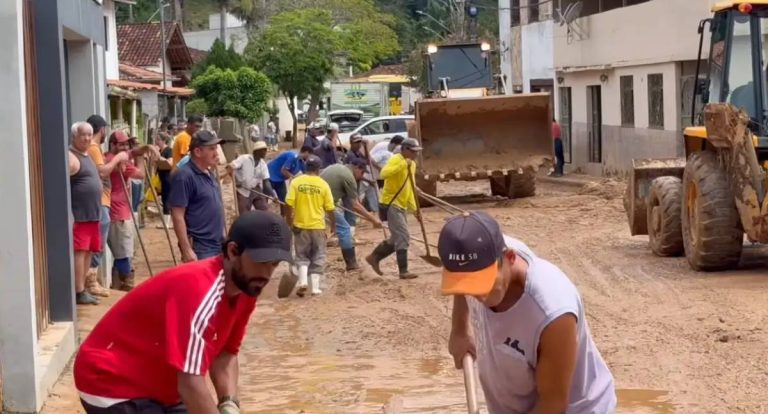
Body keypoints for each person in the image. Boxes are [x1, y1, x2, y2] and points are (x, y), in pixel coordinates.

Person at [73, 211, 293, 414]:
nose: (267, 273)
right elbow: (189, 382)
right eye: (261, 262)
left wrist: (229, 403)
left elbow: (226, 353)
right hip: (110, 382)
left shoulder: (246, 290)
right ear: (233, 251)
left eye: (274, 265)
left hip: (163, 385)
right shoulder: (199, 290)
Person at [438, 211, 617, 413]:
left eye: (483, 284)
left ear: (510, 257)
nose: (478, 297)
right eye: (468, 286)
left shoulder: (553, 313)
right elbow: (462, 281)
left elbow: (553, 405)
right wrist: (459, 329)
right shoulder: (480, 251)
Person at [365, 138, 422, 280]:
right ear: (405, 150)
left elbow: (409, 188)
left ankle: (374, 257)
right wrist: (403, 164)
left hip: (401, 205)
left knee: (397, 237)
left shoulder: (412, 165)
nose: (416, 155)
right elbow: (384, 173)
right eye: (413, 152)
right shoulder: (396, 159)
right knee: (403, 236)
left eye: (417, 152)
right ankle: (403, 271)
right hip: (391, 204)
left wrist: (415, 210)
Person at [85, 114, 126, 298]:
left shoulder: (93, 148)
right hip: (100, 201)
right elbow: (102, 172)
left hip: (102, 200)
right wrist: (117, 159)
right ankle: (91, 281)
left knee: (98, 242)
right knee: (98, 242)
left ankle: (92, 281)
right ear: (102, 130)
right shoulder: (93, 147)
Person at [169, 130, 225, 262]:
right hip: (200, 248)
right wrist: (187, 249)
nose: (216, 153)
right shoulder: (184, 176)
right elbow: (177, 215)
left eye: (216, 148)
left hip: (217, 244)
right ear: (198, 152)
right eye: (211, 149)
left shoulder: (209, 174)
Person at [285, 156, 336, 297]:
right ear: (318, 169)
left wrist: (290, 221)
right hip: (318, 226)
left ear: (306, 167)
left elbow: (288, 204)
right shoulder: (323, 184)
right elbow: (330, 208)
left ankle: (302, 282)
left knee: (301, 255)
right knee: (318, 256)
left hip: (300, 225)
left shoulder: (296, 182)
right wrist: (333, 226)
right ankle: (315, 288)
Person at [320, 160, 383, 270]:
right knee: (344, 229)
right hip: (323, 204)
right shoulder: (349, 177)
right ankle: (351, 264)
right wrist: (374, 220)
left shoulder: (339, 168)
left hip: (317, 201)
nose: (362, 176)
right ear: (356, 168)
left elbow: (348, 202)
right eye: (362, 173)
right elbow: (355, 205)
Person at [105, 131, 148, 291]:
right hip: (119, 214)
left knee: (124, 253)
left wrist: (136, 152)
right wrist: (140, 157)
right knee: (124, 254)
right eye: (121, 144)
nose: (125, 147)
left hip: (120, 212)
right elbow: (141, 174)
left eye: (126, 144)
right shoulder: (116, 161)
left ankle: (118, 287)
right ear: (113, 145)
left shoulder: (113, 158)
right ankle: (125, 288)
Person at [69, 122, 104, 305]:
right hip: (80, 216)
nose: (87, 138)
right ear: (74, 136)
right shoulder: (70, 156)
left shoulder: (86, 155)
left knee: (89, 252)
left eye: (90, 135)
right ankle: (78, 291)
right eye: (83, 135)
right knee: (80, 253)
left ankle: (82, 289)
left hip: (93, 215)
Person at [226, 141, 274, 214]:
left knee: (265, 211)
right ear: (257, 151)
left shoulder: (263, 164)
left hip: (256, 189)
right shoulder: (244, 159)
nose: (265, 152)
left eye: (265, 150)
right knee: (244, 214)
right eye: (263, 150)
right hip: (243, 190)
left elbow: (266, 181)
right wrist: (235, 181)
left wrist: (273, 195)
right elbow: (229, 167)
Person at [267, 146, 313, 215]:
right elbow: (283, 170)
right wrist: (294, 178)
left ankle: (283, 218)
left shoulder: (301, 162)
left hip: (280, 180)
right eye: (310, 155)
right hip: (270, 177)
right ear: (306, 152)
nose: (309, 158)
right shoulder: (292, 156)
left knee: (284, 200)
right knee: (264, 199)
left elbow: (306, 175)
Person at [154, 133, 174, 229]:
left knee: (167, 199)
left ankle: (166, 223)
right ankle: (166, 221)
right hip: (162, 177)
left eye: (158, 140)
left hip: (168, 177)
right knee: (163, 198)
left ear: (163, 141)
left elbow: (170, 163)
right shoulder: (160, 151)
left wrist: (159, 156)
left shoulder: (168, 150)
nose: (156, 141)